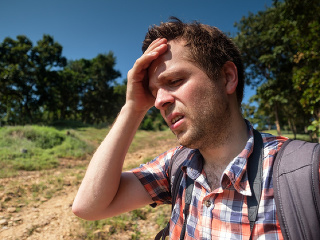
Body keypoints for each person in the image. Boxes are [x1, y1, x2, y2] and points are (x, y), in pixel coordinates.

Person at [72, 17, 288, 239]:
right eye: (154, 92)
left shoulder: (301, 173)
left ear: (227, 78)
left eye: (174, 81)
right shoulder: (177, 165)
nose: (158, 102)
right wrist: (133, 108)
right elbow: (89, 206)